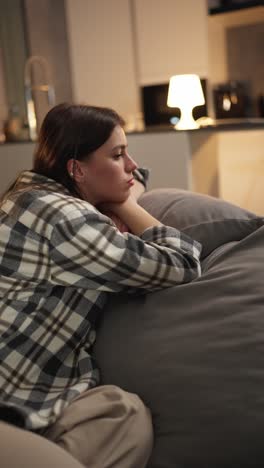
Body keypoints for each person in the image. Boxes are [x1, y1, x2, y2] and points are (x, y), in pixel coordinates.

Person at [0, 103, 202, 468]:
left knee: (125, 412)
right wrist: (128, 205)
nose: (132, 166)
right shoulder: (63, 218)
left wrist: (119, 199)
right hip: (9, 401)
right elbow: (184, 263)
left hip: (35, 395)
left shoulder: (29, 196)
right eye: (118, 154)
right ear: (76, 168)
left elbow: (134, 177)